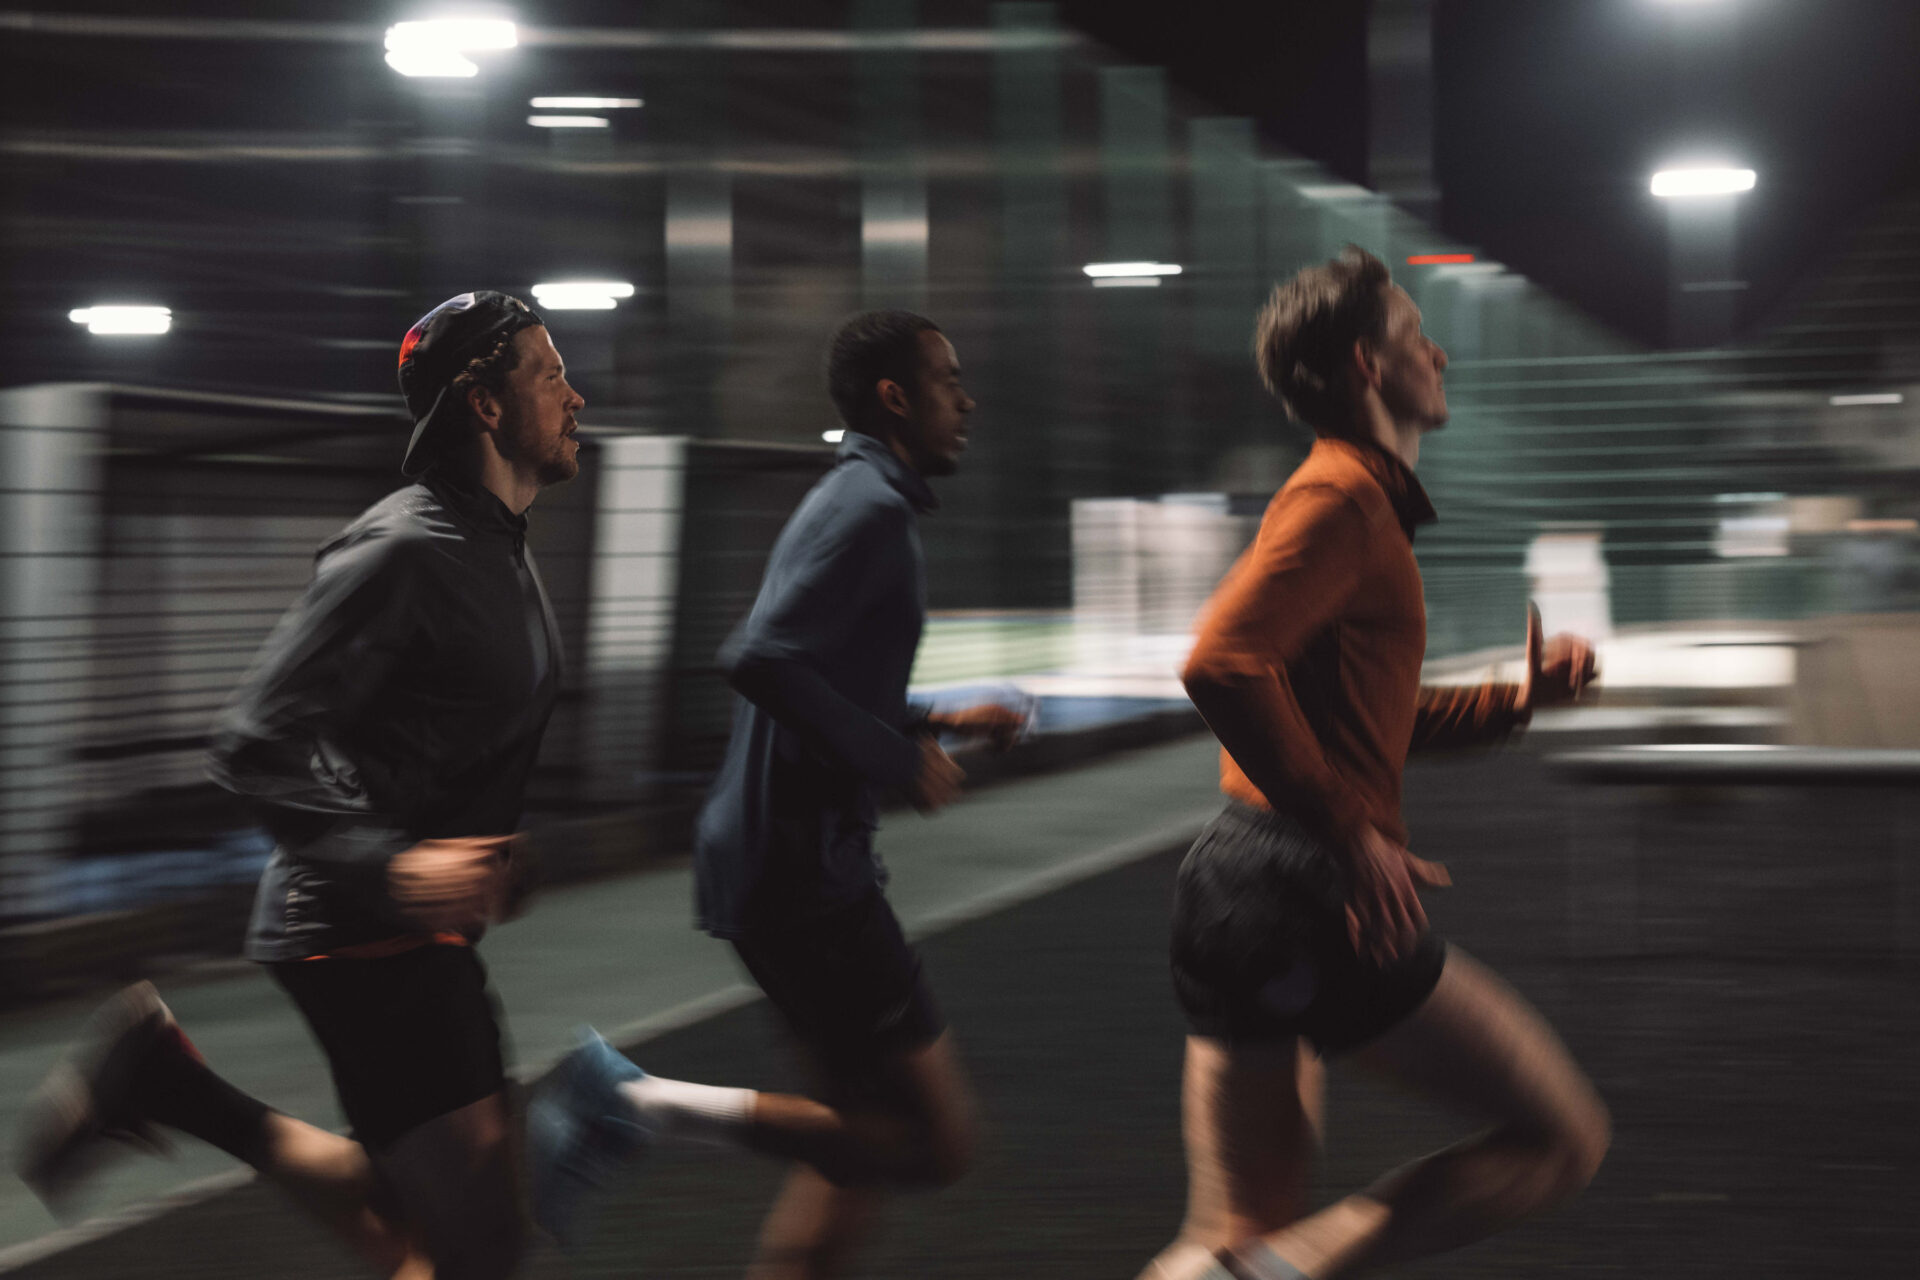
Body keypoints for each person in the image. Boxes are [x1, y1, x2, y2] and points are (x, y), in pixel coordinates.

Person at [15, 290, 584, 1280]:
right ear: (485, 403)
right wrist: (393, 864)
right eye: (549, 372)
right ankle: (173, 1086)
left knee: (439, 1223)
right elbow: (250, 737)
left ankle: (168, 1082)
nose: (576, 394)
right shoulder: (406, 548)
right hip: (363, 933)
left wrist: (492, 847)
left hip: (416, 934)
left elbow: (437, 729)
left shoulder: (497, 544)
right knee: (476, 1241)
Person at [1140, 248, 1611, 1280]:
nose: (1438, 351)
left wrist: (1521, 700)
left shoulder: (1356, 502)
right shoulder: (1343, 501)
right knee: (1560, 1136)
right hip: (1297, 885)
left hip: (1238, 881)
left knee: (1234, 1226)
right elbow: (1221, 661)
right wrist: (1351, 830)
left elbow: (1364, 717)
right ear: (1367, 364)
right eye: (1415, 336)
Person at [525, 309, 1024, 1279]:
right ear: (895, 396)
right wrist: (896, 758)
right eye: (949, 380)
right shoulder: (870, 508)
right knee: (929, 1140)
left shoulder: (853, 494)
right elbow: (757, 658)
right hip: (807, 876)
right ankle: (627, 1100)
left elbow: (817, 679)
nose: (966, 401)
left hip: (776, 860)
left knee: (851, 1152)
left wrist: (935, 721)